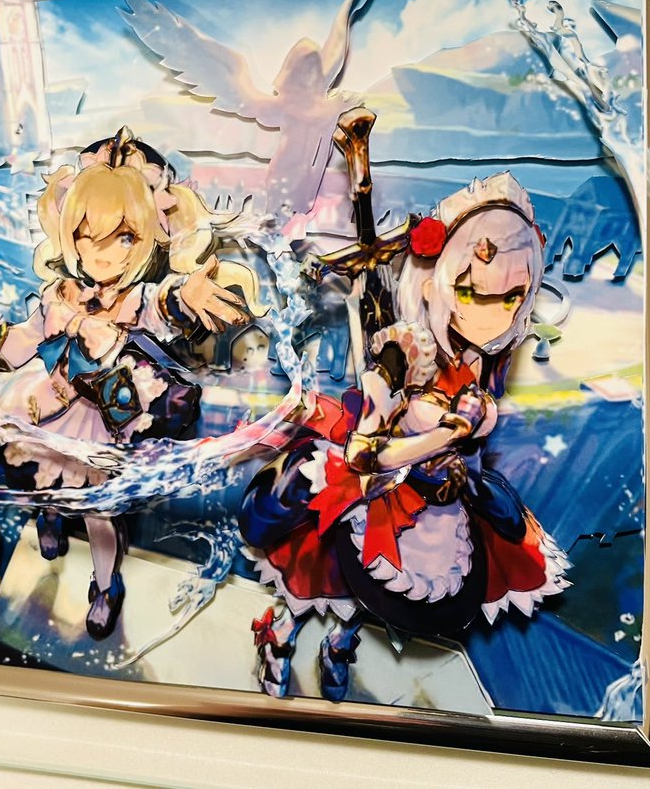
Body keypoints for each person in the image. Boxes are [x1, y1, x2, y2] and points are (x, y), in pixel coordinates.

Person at [240, 171, 570, 700]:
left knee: (384, 597)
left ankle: (340, 645)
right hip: (378, 495)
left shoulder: (484, 363)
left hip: (439, 512)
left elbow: (474, 443)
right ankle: (280, 638)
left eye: (511, 297)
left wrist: (464, 457)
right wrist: (442, 437)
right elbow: (364, 453)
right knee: (324, 578)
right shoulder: (404, 353)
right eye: (472, 292)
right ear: (435, 281)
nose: (492, 315)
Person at [0, 127, 263, 639]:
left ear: (147, 237)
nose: (101, 253)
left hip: (100, 421)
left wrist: (189, 297)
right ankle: (50, 519)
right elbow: (27, 336)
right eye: (87, 235)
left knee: (99, 513)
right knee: (38, 477)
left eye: (123, 237)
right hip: (47, 405)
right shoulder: (59, 294)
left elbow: (167, 307)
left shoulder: (136, 301)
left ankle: (105, 584)